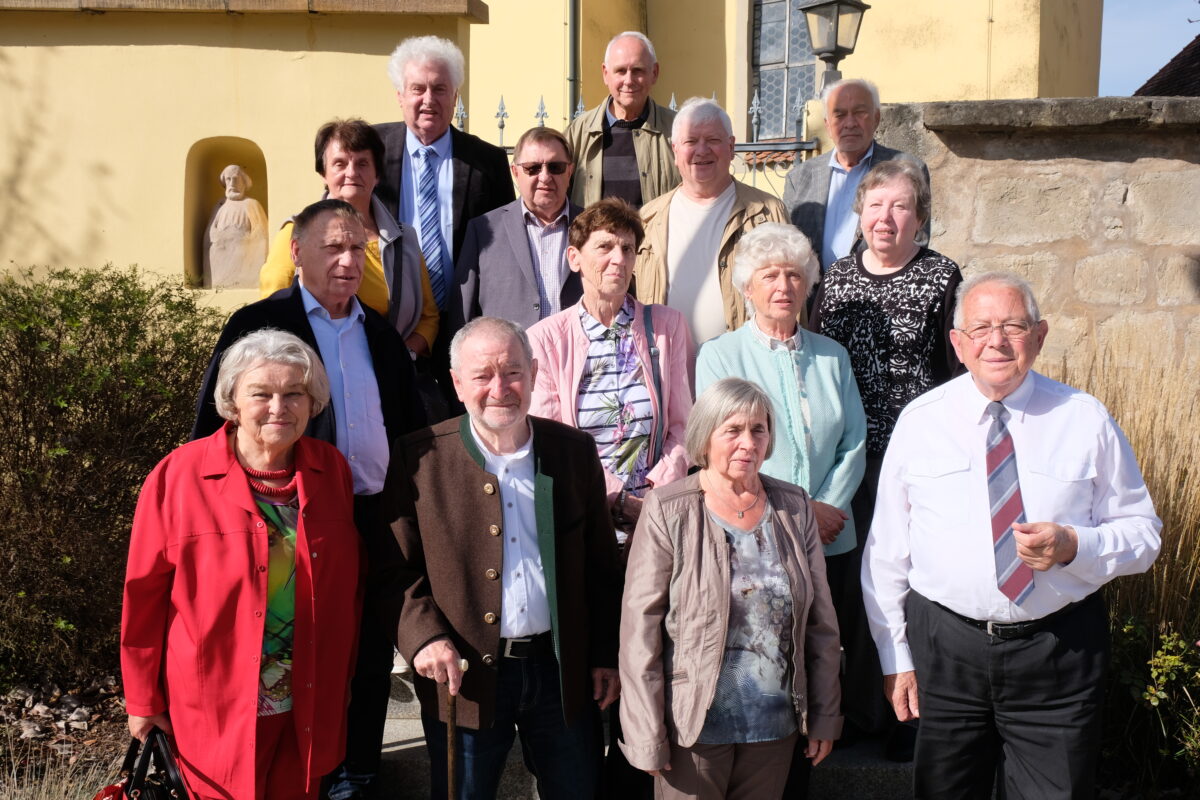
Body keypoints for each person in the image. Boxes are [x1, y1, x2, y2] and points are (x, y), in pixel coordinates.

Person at [861, 272, 1162, 798]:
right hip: (946, 652)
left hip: (1058, 652)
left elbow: (1144, 534)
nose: (996, 341)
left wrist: (1076, 546)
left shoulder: (1084, 419)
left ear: (1040, 335)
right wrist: (897, 658)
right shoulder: (921, 422)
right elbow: (886, 552)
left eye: (1013, 326)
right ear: (957, 343)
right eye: (979, 328)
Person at [192, 199, 427, 800]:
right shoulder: (258, 323)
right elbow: (214, 423)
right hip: (287, 512)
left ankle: (359, 772)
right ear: (297, 252)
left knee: (369, 649)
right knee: (295, 648)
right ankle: (295, 771)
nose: (348, 261)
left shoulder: (379, 330)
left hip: (374, 513)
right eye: (334, 248)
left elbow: (407, 425)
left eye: (358, 249)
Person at [376, 317, 623, 800]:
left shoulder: (572, 452)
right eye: (483, 376)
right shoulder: (419, 456)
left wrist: (603, 655)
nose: (499, 388)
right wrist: (423, 639)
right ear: (457, 383)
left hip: (560, 672)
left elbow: (601, 566)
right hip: (465, 678)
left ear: (533, 373)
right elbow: (393, 570)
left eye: (512, 372)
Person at [123, 330, 362, 800]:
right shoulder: (178, 476)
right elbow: (144, 595)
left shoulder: (331, 470)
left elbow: (347, 588)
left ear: (313, 403)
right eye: (261, 394)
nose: (279, 407)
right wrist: (143, 699)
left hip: (307, 700)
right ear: (232, 401)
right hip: (213, 704)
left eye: (295, 393)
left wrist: (345, 679)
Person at [527, 198, 693, 797]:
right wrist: (617, 497)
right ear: (575, 258)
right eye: (605, 247)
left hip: (657, 519)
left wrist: (655, 496)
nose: (618, 259)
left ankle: (633, 777)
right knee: (591, 651)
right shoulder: (546, 339)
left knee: (649, 655)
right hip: (586, 523)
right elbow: (550, 434)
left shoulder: (667, 327)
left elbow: (683, 424)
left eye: (628, 248)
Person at [619, 378, 842, 800]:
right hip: (692, 729)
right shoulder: (668, 509)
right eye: (733, 430)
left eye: (759, 430)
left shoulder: (794, 508)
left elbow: (821, 624)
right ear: (705, 436)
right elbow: (639, 632)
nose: (748, 442)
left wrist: (826, 715)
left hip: (775, 727)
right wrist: (647, 731)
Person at [806, 158, 961, 749]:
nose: (886, 218)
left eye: (899, 207)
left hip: (919, 460)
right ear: (860, 214)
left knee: (908, 583)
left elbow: (953, 370)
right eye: (875, 206)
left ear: (918, 217)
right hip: (849, 461)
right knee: (848, 584)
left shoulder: (941, 276)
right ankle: (848, 710)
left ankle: (902, 716)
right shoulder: (838, 280)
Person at [258, 119, 438, 359]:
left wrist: (400, 356)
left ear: (377, 175)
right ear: (323, 173)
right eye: (340, 163)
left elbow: (428, 317)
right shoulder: (294, 234)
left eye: (362, 163)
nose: (352, 172)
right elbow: (271, 316)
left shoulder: (404, 239)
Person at [374, 35, 514, 315]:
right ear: (400, 96)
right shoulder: (371, 151)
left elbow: (504, 247)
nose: (428, 100)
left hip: (462, 318)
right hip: (386, 317)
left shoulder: (487, 162)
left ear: (455, 96)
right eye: (418, 89)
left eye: (439, 89)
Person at [634, 97, 788, 347]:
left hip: (742, 370)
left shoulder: (768, 212)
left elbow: (791, 296)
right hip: (666, 370)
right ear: (675, 151)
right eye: (691, 141)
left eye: (713, 140)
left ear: (731, 147)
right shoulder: (649, 219)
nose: (702, 150)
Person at [782, 78, 929, 273]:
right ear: (827, 124)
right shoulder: (800, 177)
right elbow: (789, 245)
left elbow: (918, 240)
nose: (850, 123)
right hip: (816, 300)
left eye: (859, 113)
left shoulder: (907, 169)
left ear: (876, 118)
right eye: (839, 114)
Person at [453, 127, 584, 331]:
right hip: (508, 359)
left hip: (577, 357)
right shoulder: (483, 231)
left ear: (569, 171)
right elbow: (461, 314)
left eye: (555, 167)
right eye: (532, 168)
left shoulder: (594, 227)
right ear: (515, 172)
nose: (545, 177)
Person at [564, 31, 680, 209]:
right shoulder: (578, 133)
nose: (629, 80)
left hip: (659, 237)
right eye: (620, 71)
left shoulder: (677, 131)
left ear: (654, 73)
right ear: (605, 74)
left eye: (637, 70)